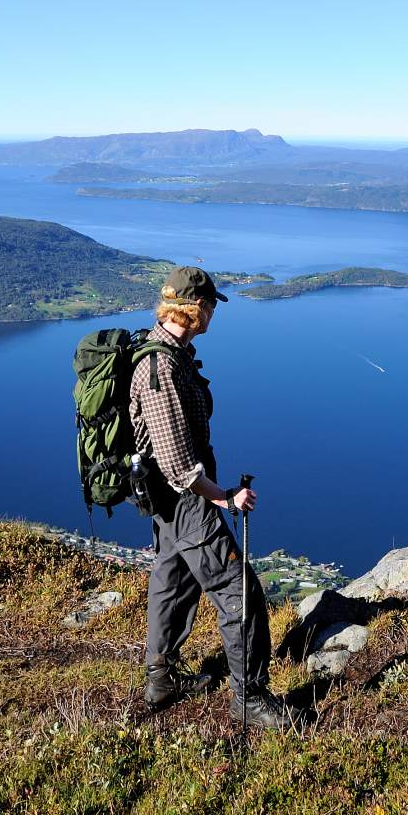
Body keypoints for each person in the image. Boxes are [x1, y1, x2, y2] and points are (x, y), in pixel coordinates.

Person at [131, 266, 304, 730]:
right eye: (210, 306)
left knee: (172, 583)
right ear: (193, 309)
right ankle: (248, 698)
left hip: (168, 504)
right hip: (185, 501)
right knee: (239, 591)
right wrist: (224, 498)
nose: (213, 314)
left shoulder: (174, 353)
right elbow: (175, 465)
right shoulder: (161, 368)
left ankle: (161, 681)